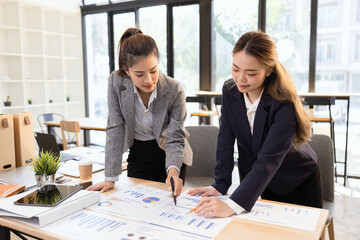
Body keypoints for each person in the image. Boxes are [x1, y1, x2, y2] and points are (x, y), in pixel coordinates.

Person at [188, 30, 323, 218]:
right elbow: (226, 137)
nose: (240, 79)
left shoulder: (284, 102)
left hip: (295, 178)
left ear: (269, 71)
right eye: (235, 69)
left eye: (251, 73)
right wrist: (220, 184)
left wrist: (232, 205)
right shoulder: (230, 90)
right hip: (260, 180)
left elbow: (269, 159)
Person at [87, 28, 192, 197]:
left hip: (170, 153)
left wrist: (173, 171)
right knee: (138, 206)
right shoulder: (116, 82)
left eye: (153, 70)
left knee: (168, 207)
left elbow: (175, 136)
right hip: (138, 153)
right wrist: (110, 177)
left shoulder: (174, 89)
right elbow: (115, 127)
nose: (148, 80)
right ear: (126, 71)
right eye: (139, 74)